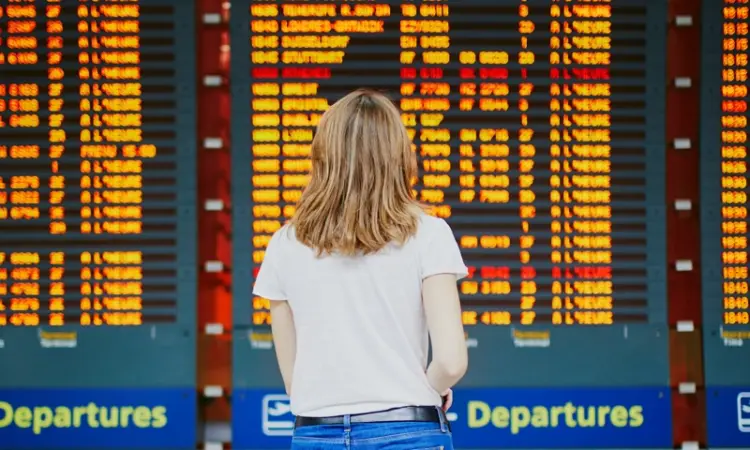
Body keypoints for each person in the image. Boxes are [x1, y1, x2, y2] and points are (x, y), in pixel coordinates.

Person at [253, 89, 469, 449]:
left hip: (314, 433)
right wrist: (421, 389)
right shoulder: (429, 234)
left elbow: (295, 382)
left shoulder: (285, 243)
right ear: (398, 154)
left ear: (323, 155)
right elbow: (450, 361)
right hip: (408, 430)